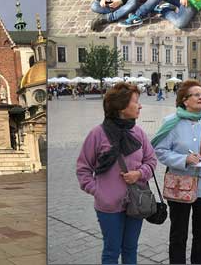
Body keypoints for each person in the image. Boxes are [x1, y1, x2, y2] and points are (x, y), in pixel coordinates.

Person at [76, 82, 157, 265]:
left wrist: (140, 173)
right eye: (136, 102)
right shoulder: (97, 134)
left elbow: (151, 160)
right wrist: (98, 191)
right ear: (121, 106)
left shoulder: (139, 133)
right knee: (111, 251)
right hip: (109, 206)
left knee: (130, 249)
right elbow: (83, 169)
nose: (140, 106)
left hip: (136, 202)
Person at [151, 80, 201, 264]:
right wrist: (183, 159)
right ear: (185, 100)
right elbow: (160, 151)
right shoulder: (171, 122)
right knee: (178, 233)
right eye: (196, 94)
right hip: (179, 186)